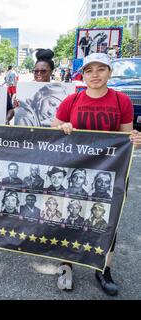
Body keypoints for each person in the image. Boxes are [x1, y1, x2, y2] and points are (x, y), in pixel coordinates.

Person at [52, 53, 141, 296]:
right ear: (83, 74)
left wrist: (135, 139)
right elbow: (52, 131)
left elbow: (126, 139)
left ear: (110, 73)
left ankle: (103, 268)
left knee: (106, 222)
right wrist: (63, 127)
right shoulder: (72, 100)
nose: (95, 75)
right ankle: (66, 263)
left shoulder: (122, 101)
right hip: (76, 171)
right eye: (90, 70)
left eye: (101, 69)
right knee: (69, 217)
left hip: (109, 173)